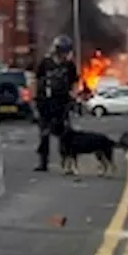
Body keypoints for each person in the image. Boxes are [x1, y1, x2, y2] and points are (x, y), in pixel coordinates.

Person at [33, 35, 78, 172]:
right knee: (44, 134)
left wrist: (73, 96)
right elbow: (36, 79)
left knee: (65, 134)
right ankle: (43, 162)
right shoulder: (45, 63)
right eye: (64, 51)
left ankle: (67, 163)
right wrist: (34, 98)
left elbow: (75, 82)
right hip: (45, 103)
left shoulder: (69, 65)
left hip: (62, 103)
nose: (66, 54)